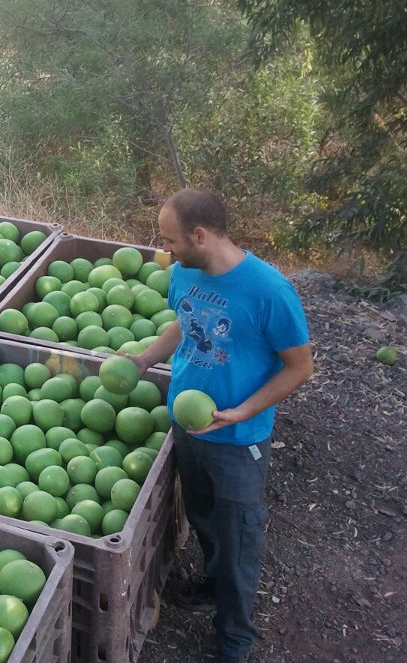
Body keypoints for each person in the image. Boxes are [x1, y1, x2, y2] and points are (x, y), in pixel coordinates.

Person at [131, 188, 313, 663]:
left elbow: (299, 367)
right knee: (203, 516)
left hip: (237, 439)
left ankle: (234, 640)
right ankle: (213, 585)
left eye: (170, 240)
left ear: (200, 235)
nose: (164, 248)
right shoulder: (183, 273)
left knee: (237, 538)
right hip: (188, 427)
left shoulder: (269, 291)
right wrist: (145, 358)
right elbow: (184, 323)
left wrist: (246, 410)